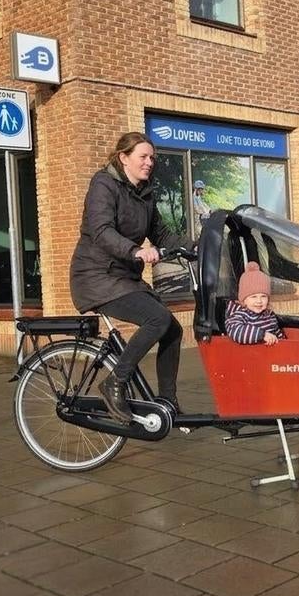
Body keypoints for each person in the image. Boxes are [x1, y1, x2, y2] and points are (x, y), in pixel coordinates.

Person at [70, 132, 195, 423]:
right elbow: (101, 231)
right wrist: (136, 250)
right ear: (123, 158)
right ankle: (115, 382)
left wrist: (195, 245)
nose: (150, 162)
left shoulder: (144, 193)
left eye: (152, 157)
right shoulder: (103, 184)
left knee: (172, 330)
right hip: (96, 276)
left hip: (124, 277)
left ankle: (166, 401)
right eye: (143, 156)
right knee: (157, 319)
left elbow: (162, 234)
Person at [224, 262, 285, 345]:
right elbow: (236, 331)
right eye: (254, 297)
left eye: (263, 296)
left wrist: (282, 342)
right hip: (248, 355)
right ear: (244, 300)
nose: (259, 301)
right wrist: (262, 335)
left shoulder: (269, 315)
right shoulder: (239, 315)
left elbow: (277, 332)